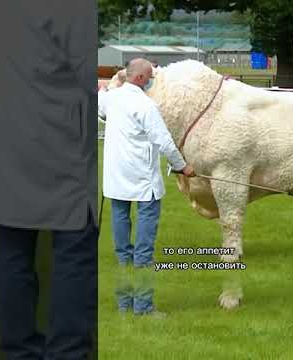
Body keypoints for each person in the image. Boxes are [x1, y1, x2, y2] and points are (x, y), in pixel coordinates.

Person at [0, 1, 98, 359]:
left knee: (10, 247)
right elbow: (89, 72)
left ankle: (19, 351)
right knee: (75, 245)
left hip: (2, 137)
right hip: (58, 137)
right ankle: (67, 351)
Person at [98, 58, 194, 314]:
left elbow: (100, 102)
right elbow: (164, 142)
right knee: (143, 250)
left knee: (122, 250)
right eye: (150, 76)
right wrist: (183, 166)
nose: (151, 81)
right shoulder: (146, 105)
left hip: (116, 182)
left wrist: (112, 82)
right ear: (141, 79)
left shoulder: (113, 98)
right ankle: (143, 307)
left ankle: (124, 304)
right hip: (143, 184)